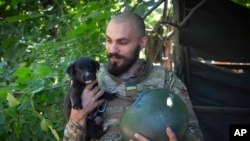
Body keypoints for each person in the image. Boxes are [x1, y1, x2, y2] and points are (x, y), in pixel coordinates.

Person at [63, 11, 203, 141]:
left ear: (142, 43)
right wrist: (78, 116)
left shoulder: (166, 80)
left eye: (122, 42)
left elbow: (194, 133)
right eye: (109, 40)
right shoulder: (90, 80)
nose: (112, 50)